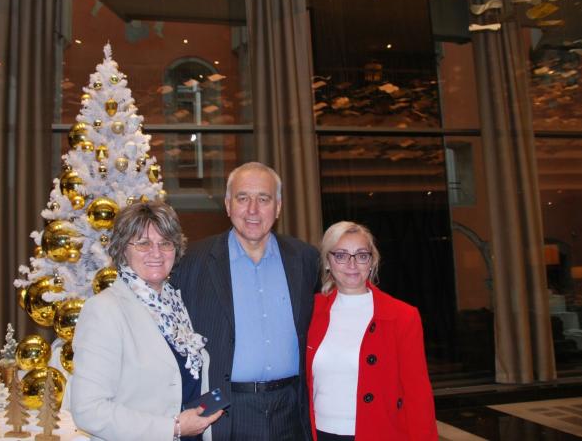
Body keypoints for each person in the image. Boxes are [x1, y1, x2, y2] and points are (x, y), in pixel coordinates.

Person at [173, 162, 320, 441]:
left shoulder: (304, 259)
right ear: (228, 205)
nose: (253, 210)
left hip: (290, 411)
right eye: (243, 198)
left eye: (263, 199)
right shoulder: (192, 261)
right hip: (224, 411)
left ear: (278, 207)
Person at [70, 201, 223, 441]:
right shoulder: (104, 310)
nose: (156, 252)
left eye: (165, 243)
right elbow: (88, 410)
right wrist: (173, 428)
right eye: (143, 243)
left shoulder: (177, 305)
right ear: (123, 249)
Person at [306, 221, 437, 441]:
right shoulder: (310, 311)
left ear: (372, 261)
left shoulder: (402, 316)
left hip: (378, 433)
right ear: (327, 262)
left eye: (361, 255)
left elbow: (418, 394)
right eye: (341, 255)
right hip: (319, 433)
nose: (352, 264)